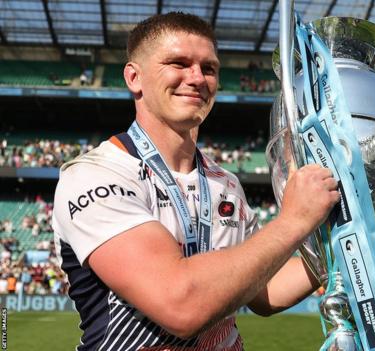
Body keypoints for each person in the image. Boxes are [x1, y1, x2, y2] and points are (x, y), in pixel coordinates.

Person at [52, 12, 340, 350]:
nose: (197, 78)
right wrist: (295, 220)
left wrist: (349, 244)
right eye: (178, 63)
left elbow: (264, 288)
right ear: (134, 77)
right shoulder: (95, 174)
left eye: (209, 68)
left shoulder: (225, 183)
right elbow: (180, 306)